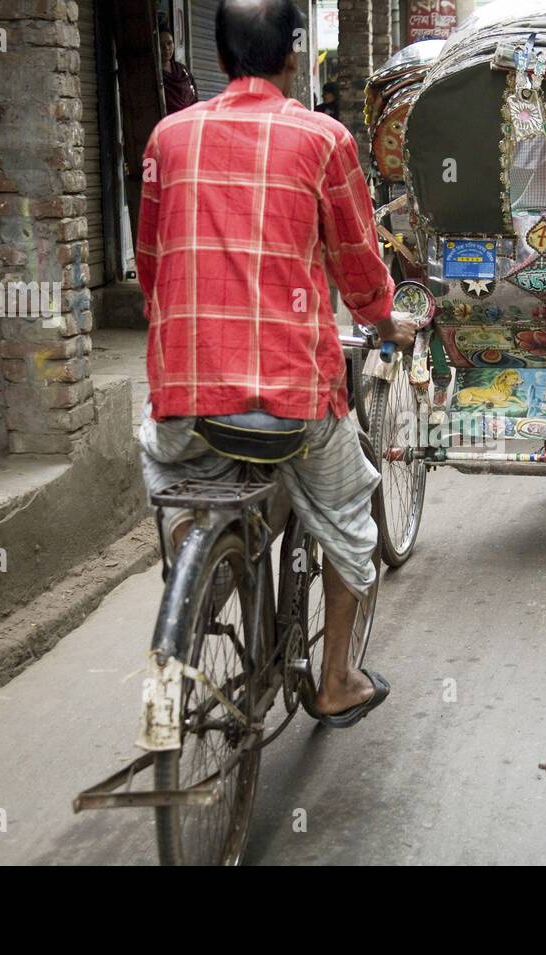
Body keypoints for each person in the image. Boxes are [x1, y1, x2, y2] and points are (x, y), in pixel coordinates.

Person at [135, 0, 413, 724]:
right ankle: (337, 680)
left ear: (221, 57)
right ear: (293, 56)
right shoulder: (321, 139)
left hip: (187, 394)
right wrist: (388, 323)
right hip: (290, 398)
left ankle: (194, 580)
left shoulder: (168, 137)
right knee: (350, 513)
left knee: (172, 470)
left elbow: (151, 264)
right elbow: (358, 269)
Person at [160, 30, 199, 113]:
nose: (166, 48)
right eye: (161, 44)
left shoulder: (182, 70)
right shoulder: (155, 74)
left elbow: (194, 96)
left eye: (169, 43)